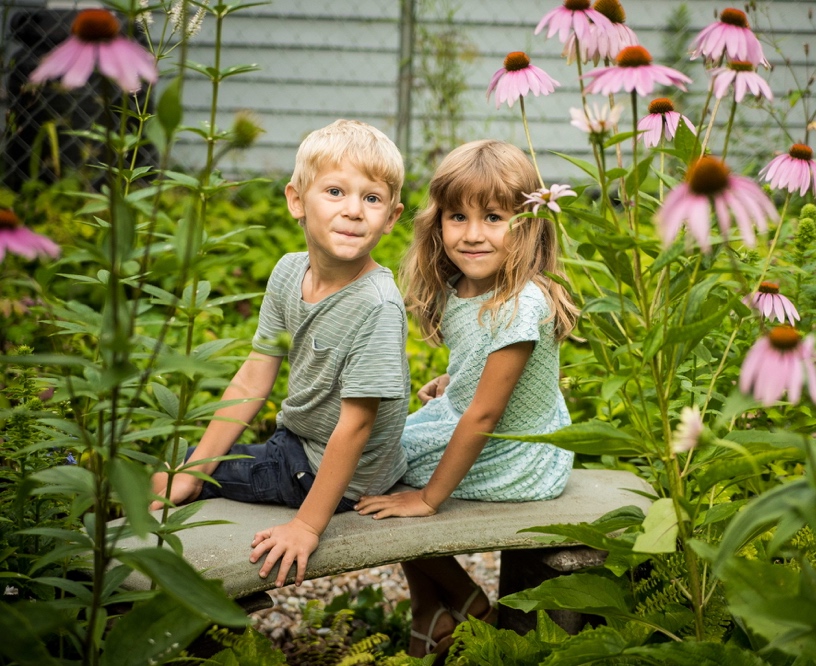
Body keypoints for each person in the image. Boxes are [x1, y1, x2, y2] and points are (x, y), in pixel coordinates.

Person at [151, 119, 409, 588]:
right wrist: (190, 472)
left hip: (326, 474)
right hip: (302, 445)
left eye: (371, 198)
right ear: (296, 201)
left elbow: (357, 425)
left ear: (391, 217)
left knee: (174, 470)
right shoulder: (290, 272)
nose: (354, 210)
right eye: (335, 191)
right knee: (181, 468)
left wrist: (306, 527)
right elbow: (254, 377)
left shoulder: (377, 305)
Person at [354, 140, 579, 659]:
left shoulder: (522, 302)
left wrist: (429, 499)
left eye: (495, 217)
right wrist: (451, 381)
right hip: (481, 423)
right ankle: (428, 609)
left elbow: (487, 412)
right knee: (374, 449)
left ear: (528, 225)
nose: (473, 234)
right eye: (458, 216)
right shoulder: (464, 288)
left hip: (519, 452)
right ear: (438, 222)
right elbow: (482, 377)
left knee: (371, 469)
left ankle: (463, 598)